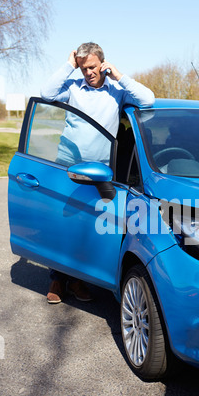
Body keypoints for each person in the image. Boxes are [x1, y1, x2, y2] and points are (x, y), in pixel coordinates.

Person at [41, 42, 155, 304]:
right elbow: (45, 93)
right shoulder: (72, 88)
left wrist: (119, 76)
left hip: (100, 171)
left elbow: (148, 100)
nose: (88, 72)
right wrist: (69, 65)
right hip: (68, 165)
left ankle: (79, 279)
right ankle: (57, 279)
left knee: (88, 225)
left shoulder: (116, 90)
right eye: (83, 68)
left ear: (102, 63)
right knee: (62, 223)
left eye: (91, 67)